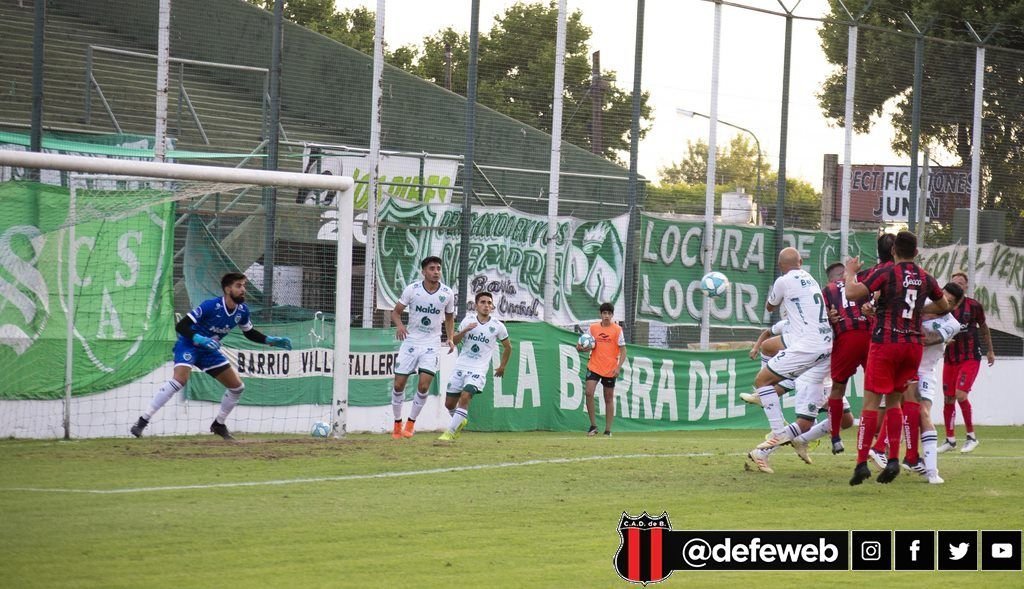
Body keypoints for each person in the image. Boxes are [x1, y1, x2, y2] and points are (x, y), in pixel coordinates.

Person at [129, 272, 293, 440]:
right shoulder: (211, 306)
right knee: (179, 380)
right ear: (227, 289)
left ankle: (218, 424)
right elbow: (181, 326)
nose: (243, 289)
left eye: (244, 285)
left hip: (208, 351)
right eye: (239, 286)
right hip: (189, 345)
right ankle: (142, 421)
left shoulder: (242, 311)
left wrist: (269, 340)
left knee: (237, 387)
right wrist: (198, 338)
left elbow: (249, 332)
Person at [843, 231, 950, 485]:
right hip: (912, 346)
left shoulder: (887, 272)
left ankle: (861, 464)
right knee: (894, 402)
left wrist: (849, 272)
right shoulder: (925, 277)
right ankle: (893, 459)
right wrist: (917, 309)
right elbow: (944, 306)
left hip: (886, 343)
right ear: (916, 252)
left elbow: (852, 293)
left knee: (871, 403)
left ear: (893, 251)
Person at [745, 247, 832, 473]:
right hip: (826, 346)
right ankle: (774, 439)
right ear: (800, 261)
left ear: (779, 265)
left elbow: (770, 306)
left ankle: (776, 432)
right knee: (819, 416)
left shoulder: (783, 281)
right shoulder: (811, 279)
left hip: (808, 345)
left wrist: (779, 295)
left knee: (762, 380)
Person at [902, 282, 965, 484]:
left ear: (955, 305)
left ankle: (930, 470)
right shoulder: (921, 303)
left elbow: (929, 339)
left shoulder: (953, 324)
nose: (943, 302)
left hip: (925, 371)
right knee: (892, 413)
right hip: (904, 364)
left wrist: (909, 322)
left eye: (949, 301)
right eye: (942, 296)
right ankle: (899, 456)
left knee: (923, 413)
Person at [390, 256, 456, 439]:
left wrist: (450, 338)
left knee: (424, 385)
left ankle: (411, 423)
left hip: (431, 344)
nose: (436, 272)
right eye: (432, 269)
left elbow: (449, 317)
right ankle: (397, 423)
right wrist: (400, 326)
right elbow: (395, 312)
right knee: (398, 384)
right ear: (424, 272)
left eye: (438, 268)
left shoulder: (447, 293)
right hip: (411, 342)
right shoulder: (412, 290)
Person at [437, 292, 512, 441]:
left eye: (489, 303)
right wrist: (465, 330)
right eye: (483, 302)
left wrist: (502, 366)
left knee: (465, 396)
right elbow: (454, 341)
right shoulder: (468, 320)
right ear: (476, 305)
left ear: (492, 306)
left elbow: (508, 347)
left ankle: (450, 432)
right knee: (449, 404)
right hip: (460, 367)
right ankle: (460, 421)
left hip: (478, 369)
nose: (486, 305)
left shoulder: (498, 326)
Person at [938, 271, 996, 454]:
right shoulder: (943, 306)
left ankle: (971, 437)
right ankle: (950, 440)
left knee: (960, 395)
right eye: (954, 282)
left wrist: (990, 350)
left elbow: (984, 328)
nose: (957, 285)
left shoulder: (974, 306)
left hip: (970, 357)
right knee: (948, 398)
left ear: (966, 286)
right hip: (950, 358)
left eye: (961, 283)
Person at [579, 302, 627, 437]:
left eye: (609, 313)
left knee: (608, 398)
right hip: (594, 366)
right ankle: (593, 426)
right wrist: (581, 348)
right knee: (589, 392)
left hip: (610, 369)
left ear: (612, 315)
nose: (606, 316)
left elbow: (623, 351)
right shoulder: (593, 328)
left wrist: (618, 367)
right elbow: (582, 344)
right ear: (600, 314)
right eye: (604, 313)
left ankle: (608, 430)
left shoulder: (617, 330)